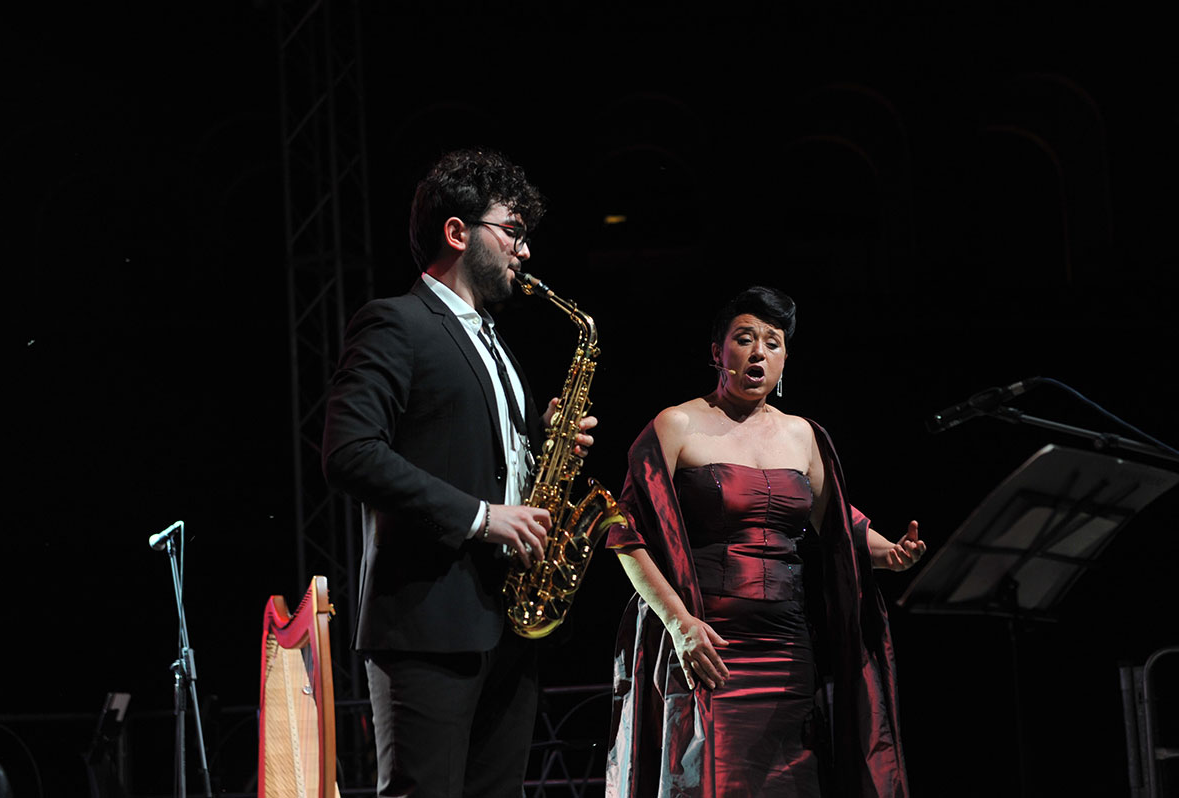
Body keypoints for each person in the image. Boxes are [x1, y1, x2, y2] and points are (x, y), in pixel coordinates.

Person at [321, 148, 596, 797]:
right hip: (429, 623)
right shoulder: (396, 322)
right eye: (513, 231)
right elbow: (348, 451)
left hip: (508, 623)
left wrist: (544, 446)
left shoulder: (496, 345)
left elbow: (481, 461)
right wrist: (480, 517)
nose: (524, 251)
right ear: (456, 232)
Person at [604, 286, 925, 798]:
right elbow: (625, 533)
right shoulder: (677, 424)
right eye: (745, 339)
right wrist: (680, 624)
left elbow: (839, 524)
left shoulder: (803, 435)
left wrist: (892, 552)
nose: (759, 352)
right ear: (718, 351)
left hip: (785, 648)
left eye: (773, 343)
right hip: (707, 646)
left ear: (784, 360)